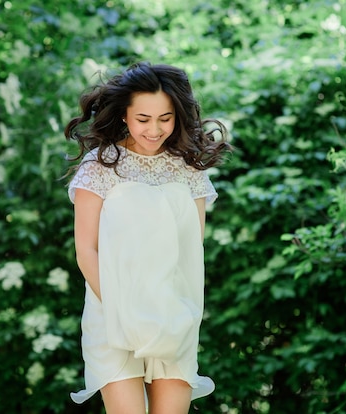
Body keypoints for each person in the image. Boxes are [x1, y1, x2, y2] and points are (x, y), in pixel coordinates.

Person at [65, 62, 230, 414]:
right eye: (143, 119)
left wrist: (172, 315)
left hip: (173, 316)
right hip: (113, 318)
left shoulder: (188, 170)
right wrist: (126, 315)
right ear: (124, 114)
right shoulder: (99, 166)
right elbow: (86, 251)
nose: (155, 130)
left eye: (165, 118)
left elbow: (191, 249)